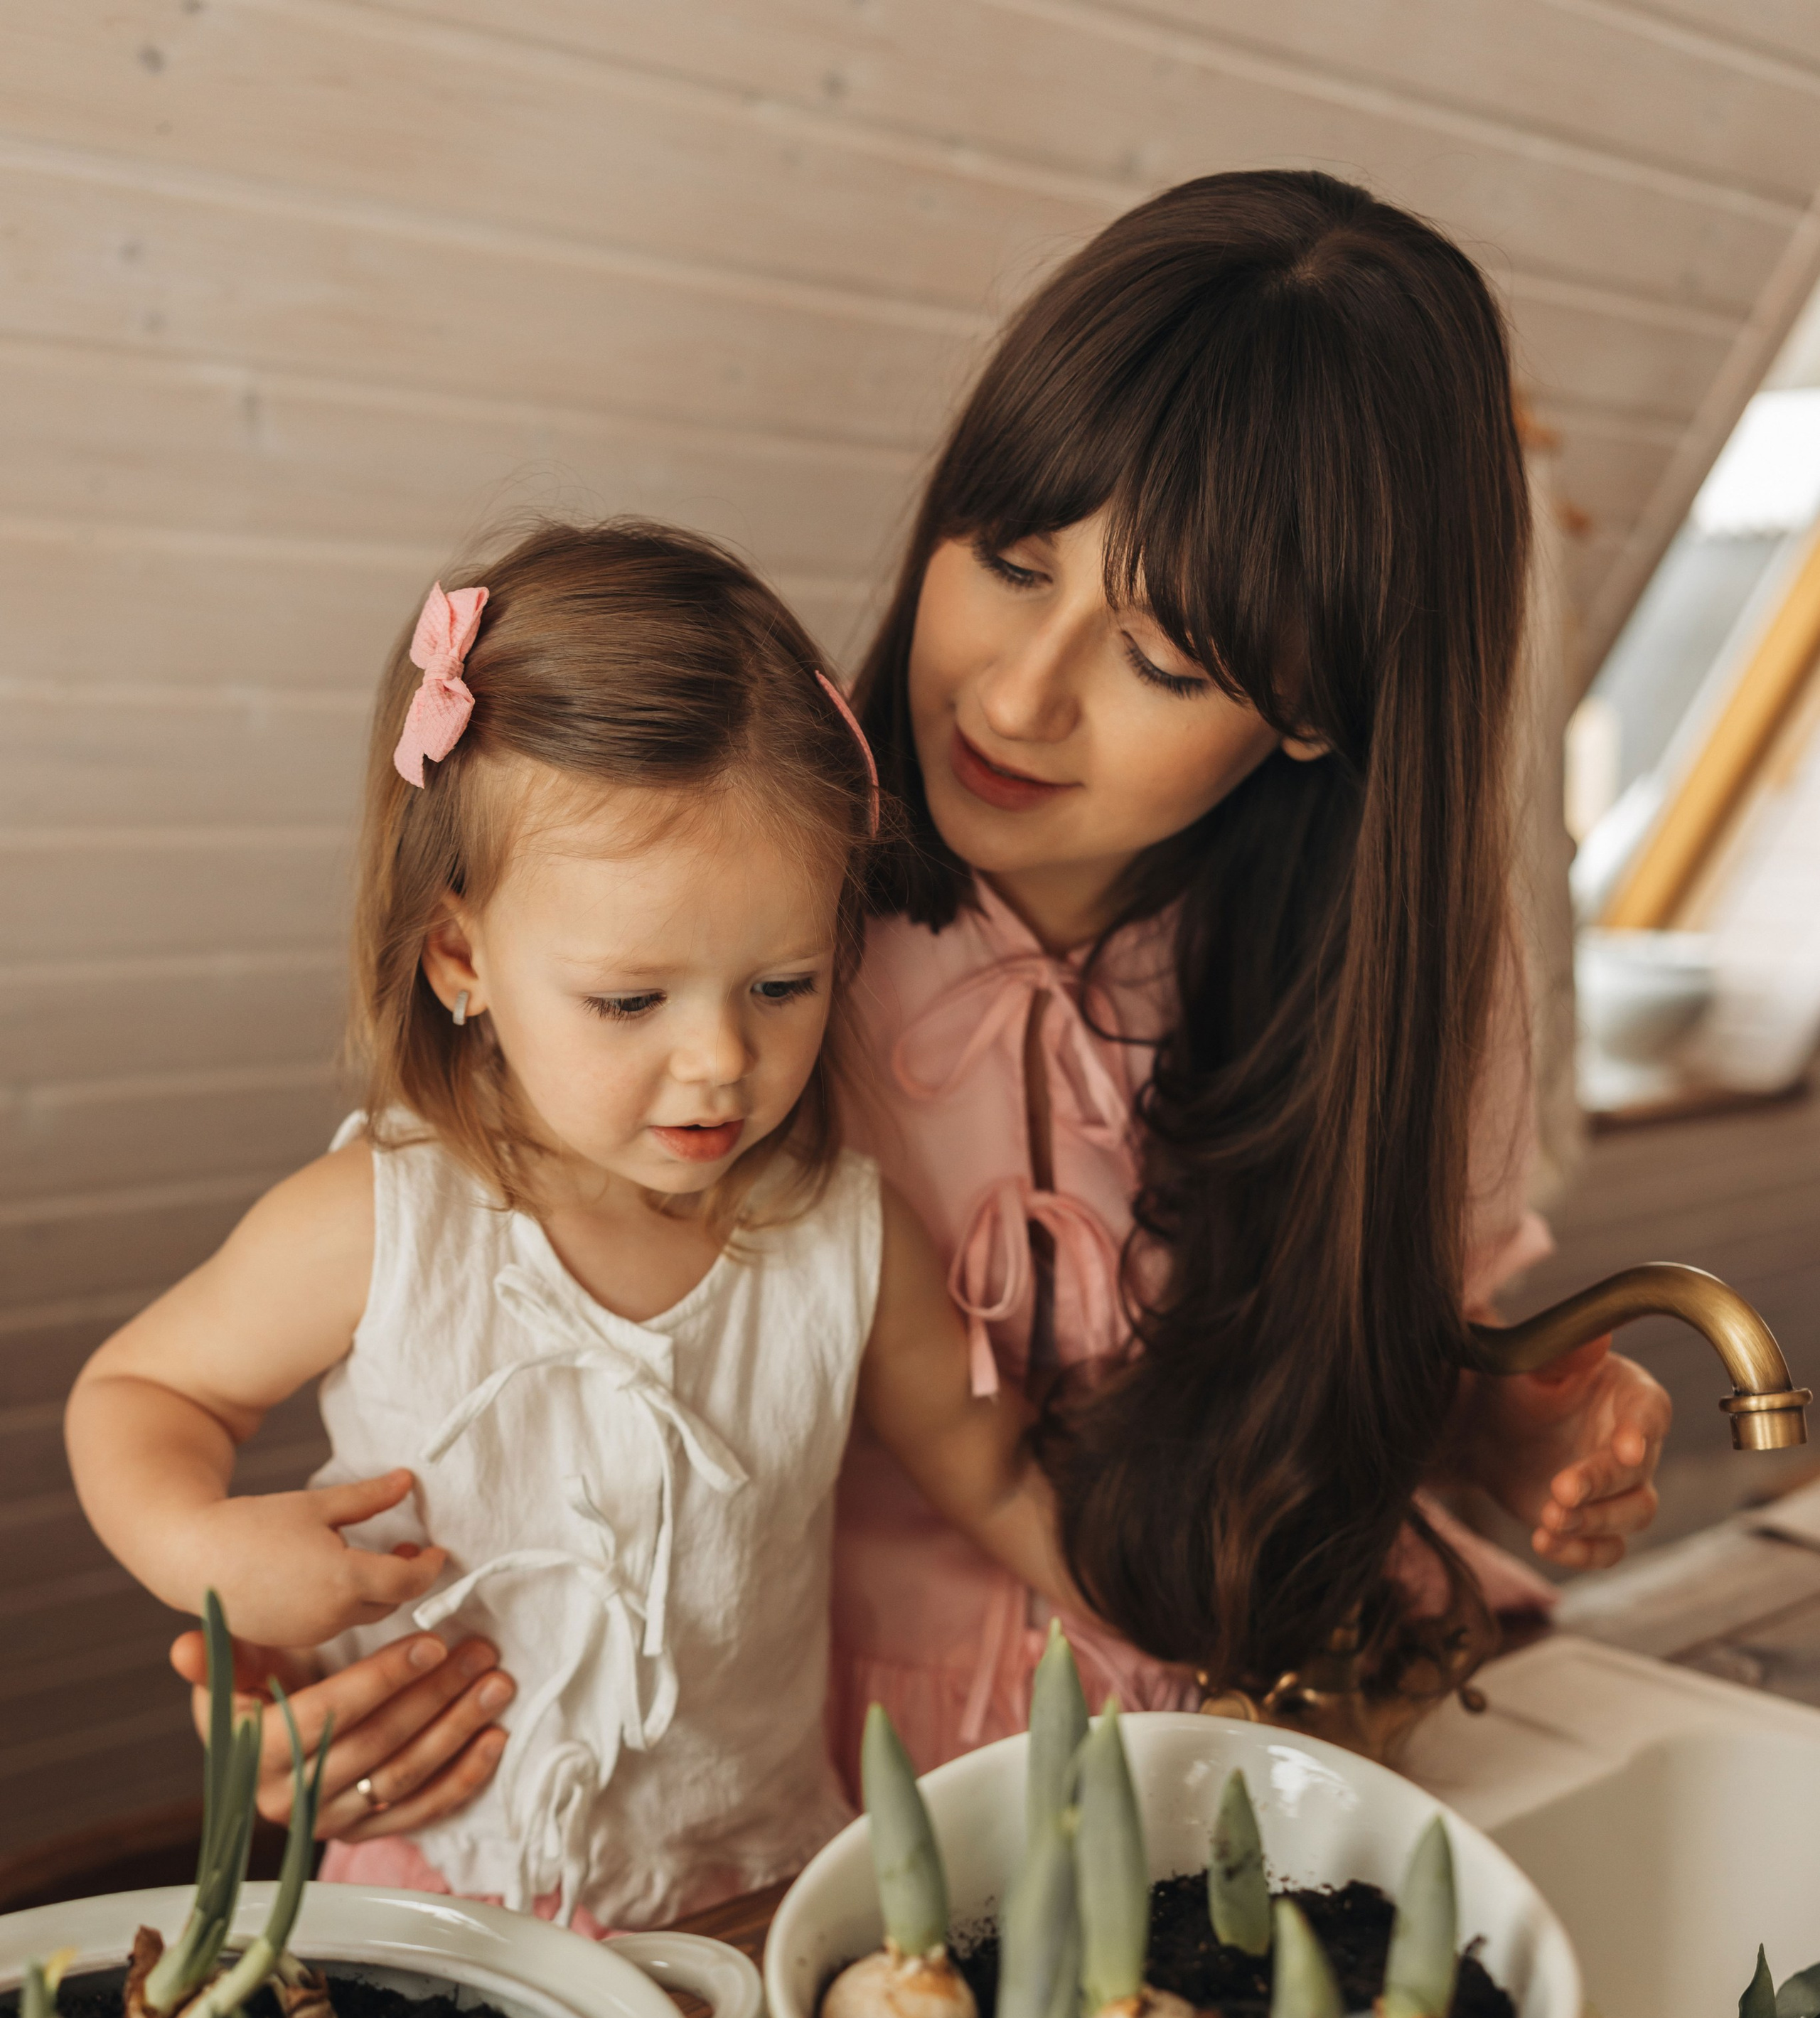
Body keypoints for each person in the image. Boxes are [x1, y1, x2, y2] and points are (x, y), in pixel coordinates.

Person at [65, 522, 1074, 1929]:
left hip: (744, 1880)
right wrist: (202, 1542)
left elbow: (993, 1471)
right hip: (434, 1871)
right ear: (463, 957)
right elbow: (139, 1388)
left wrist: (1184, 1610)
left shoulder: (845, 1237)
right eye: (630, 1002)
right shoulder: (381, 1219)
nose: (719, 1061)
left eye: (781, 986)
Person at [826, 169, 1672, 1781]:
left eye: (1156, 658)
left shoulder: (1402, 983)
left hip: (1271, 1746)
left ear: (1316, 708)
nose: (1017, 697)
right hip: (845, 1780)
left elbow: (1373, 1362)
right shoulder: (758, 906)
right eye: (1008, 560)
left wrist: (1500, 1423)